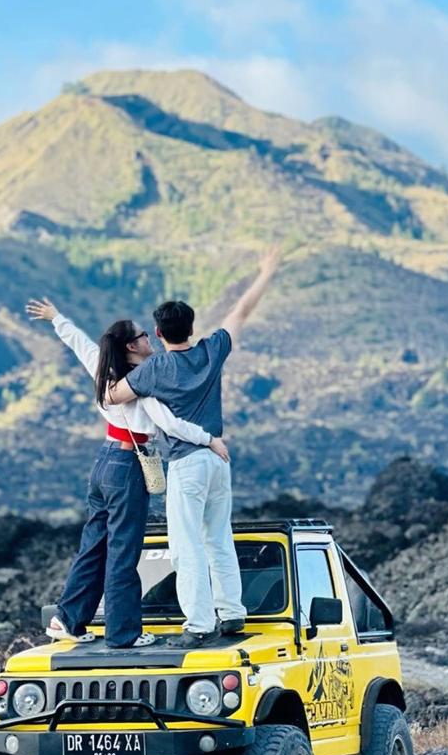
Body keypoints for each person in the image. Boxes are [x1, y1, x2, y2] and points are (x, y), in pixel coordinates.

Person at [26, 298, 230, 649]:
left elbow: (80, 343)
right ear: (132, 346)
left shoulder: (103, 368)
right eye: (143, 337)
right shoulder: (141, 385)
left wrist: (57, 317)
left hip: (103, 463)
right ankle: (124, 634)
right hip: (128, 469)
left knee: (94, 545)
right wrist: (210, 439)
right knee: (123, 552)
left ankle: (68, 618)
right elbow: (172, 425)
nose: (150, 339)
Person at [109, 247, 282, 648]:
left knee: (185, 546)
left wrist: (116, 361)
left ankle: (199, 623)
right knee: (219, 539)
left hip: (186, 464)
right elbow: (240, 311)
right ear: (190, 327)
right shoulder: (211, 351)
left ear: (157, 335)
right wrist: (266, 271)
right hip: (218, 460)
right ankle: (233, 613)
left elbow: (115, 396)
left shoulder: (154, 370)